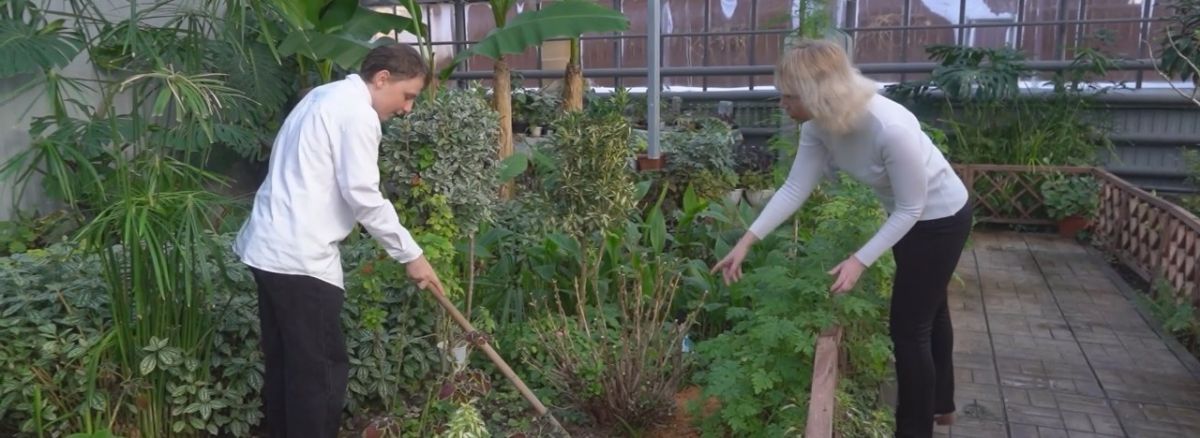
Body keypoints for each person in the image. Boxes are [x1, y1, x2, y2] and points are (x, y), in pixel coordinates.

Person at [710, 39, 972, 438]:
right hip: (905, 216)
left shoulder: (890, 127)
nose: (783, 104)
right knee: (930, 309)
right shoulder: (819, 125)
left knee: (909, 327)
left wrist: (859, 259)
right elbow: (795, 188)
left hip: (942, 219)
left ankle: (915, 429)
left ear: (818, 94)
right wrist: (747, 240)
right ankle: (943, 404)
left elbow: (911, 209)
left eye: (789, 96)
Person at [233, 43, 446, 438]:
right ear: (382, 79)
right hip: (300, 257)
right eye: (407, 95)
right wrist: (411, 255)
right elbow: (363, 195)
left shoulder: (323, 95)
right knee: (321, 375)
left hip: (267, 249)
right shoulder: (357, 114)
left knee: (287, 367)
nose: (407, 108)